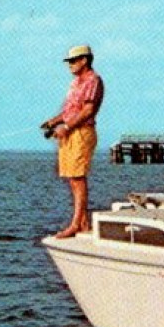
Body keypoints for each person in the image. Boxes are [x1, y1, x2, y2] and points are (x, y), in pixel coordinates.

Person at [44, 44, 104, 239]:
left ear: (84, 60)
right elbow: (71, 110)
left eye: (72, 61)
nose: (69, 65)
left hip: (81, 132)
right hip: (70, 132)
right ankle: (83, 222)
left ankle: (76, 224)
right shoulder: (76, 82)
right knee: (72, 177)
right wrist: (54, 121)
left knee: (78, 178)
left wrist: (67, 127)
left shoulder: (93, 80)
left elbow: (87, 110)